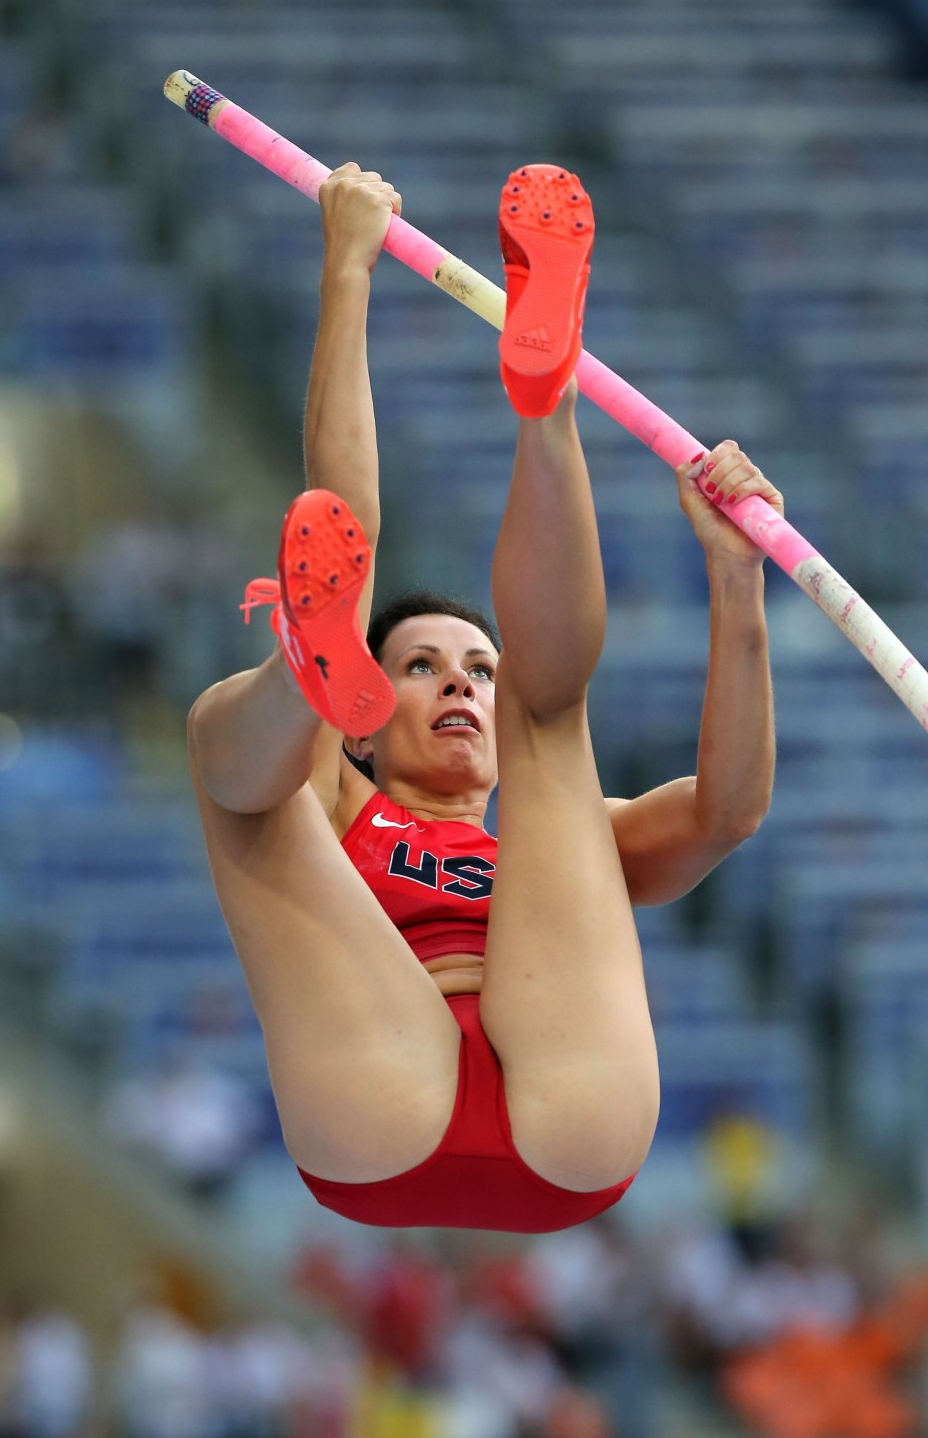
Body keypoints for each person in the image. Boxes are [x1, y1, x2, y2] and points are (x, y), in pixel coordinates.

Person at [188, 161, 780, 1233]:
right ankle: (302, 666)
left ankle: (544, 403)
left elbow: (728, 811)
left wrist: (735, 584)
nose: (460, 678)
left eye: (476, 666)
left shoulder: (572, 847)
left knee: (548, 727)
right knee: (247, 779)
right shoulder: (340, 799)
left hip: (548, 1096)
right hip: (385, 1079)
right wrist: (345, 269)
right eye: (418, 666)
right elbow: (340, 514)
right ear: (371, 727)